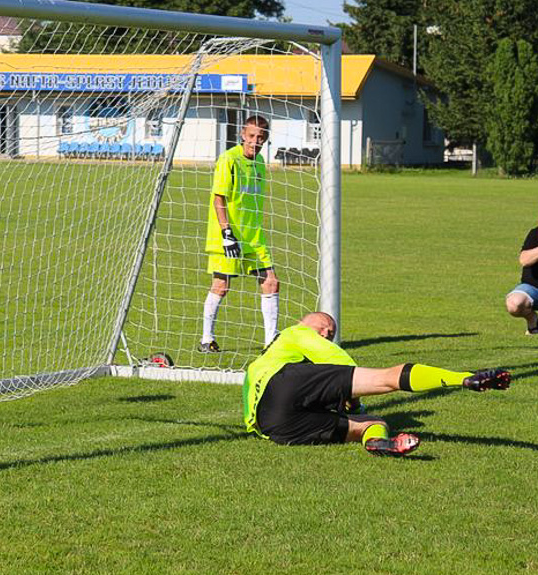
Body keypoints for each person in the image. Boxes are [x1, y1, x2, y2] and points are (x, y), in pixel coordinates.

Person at [243, 312, 511, 456]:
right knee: (386, 378)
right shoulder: (297, 333)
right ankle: (465, 378)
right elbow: (345, 366)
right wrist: (355, 401)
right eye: (326, 328)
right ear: (311, 324)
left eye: (330, 333)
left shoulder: (259, 363)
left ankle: (379, 444)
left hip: (273, 427)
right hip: (283, 383)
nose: (328, 333)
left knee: (374, 424)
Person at [200, 115, 279, 353]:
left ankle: (271, 342)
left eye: (261, 137)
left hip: (254, 238)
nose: (256, 141)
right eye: (252, 136)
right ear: (243, 134)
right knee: (221, 286)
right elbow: (218, 198)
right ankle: (206, 339)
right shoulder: (228, 160)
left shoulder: (260, 162)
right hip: (228, 236)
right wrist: (226, 232)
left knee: (271, 283)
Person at [505, 225, 538, 334]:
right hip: (534, 288)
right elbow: (524, 260)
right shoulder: (536, 233)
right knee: (515, 304)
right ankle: (533, 319)